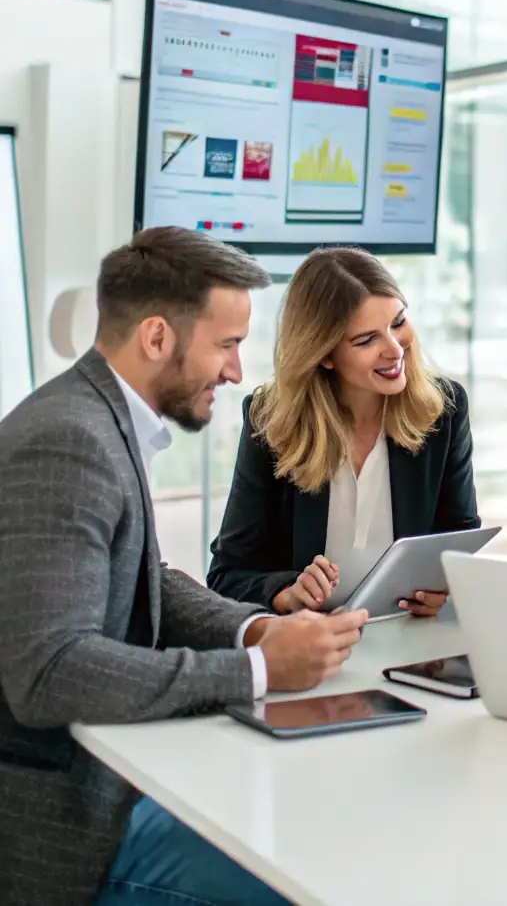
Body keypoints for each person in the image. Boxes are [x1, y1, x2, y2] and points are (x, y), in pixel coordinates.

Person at [0, 228, 368, 906]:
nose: (236, 370)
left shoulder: (96, 419)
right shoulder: (69, 440)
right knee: (318, 878)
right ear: (156, 337)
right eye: (226, 344)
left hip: (119, 783)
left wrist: (255, 630)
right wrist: (257, 670)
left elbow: (147, 579)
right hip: (77, 833)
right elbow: (49, 672)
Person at [208, 246, 480, 618]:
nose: (394, 349)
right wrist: (288, 594)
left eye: (397, 323)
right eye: (367, 340)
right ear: (324, 354)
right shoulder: (271, 422)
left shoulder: (443, 411)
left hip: (407, 641)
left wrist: (443, 588)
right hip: (311, 647)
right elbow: (228, 575)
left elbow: (458, 545)